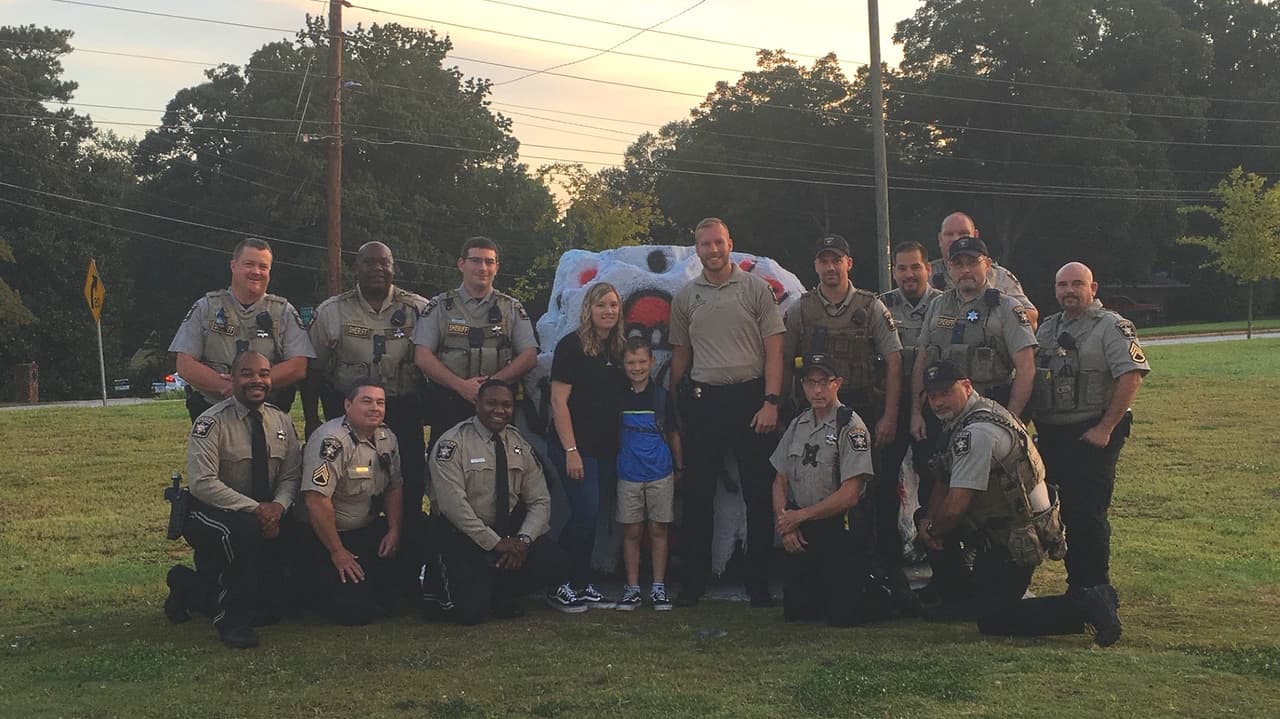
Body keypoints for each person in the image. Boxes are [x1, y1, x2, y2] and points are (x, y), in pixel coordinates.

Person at [915, 360, 1121, 646]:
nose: (937, 403)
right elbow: (944, 475)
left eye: (945, 393)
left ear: (966, 386)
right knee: (923, 515)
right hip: (1004, 524)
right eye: (932, 396)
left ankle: (1086, 605)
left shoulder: (976, 434)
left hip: (1014, 536)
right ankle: (961, 600)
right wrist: (928, 519)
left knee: (996, 619)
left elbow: (957, 504)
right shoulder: (975, 412)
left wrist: (933, 530)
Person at [781, 233, 909, 609]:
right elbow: (785, 359)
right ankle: (818, 571)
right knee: (814, 487)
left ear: (848, 263)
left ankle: (879, 571)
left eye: (837, 260)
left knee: (871, 496)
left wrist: (888, 416)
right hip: (816, 411)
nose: (830, 267)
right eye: (823, 260)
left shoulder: (870, 307)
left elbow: (894, 361)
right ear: (816, 265)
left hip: (862, 411)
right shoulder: (801, 309)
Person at [669, 217, 786, 607]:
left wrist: (771, 401)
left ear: (730, 244)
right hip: (704, 403)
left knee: (758, 494)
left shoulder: (756, 289)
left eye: (719, 243)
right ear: (697, 249)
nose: (713, 250)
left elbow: (774, 351)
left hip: (751, 400)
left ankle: (758, 583)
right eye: (705, 244)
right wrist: (676, 405)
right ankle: (693, 582)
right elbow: (680, 355)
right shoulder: (686, 297)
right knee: (699, 495)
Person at [1033, 262, 1149, 622]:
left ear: (1093, 287)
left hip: (1092, 434)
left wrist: (1106, 427)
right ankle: (1076, 589)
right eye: (1062, 284)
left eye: (1077, 284)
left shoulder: (1112, 326)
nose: (1069, 291)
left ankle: (1097, 592)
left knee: (1087, 516)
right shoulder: (1048, 328)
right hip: (1052, 434)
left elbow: (1131, 375)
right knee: (1054, 513)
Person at [162, 351, 301, 649]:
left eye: (264, 374)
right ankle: (232, 621)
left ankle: (187, 586)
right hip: (212, 513)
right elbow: (203, 483)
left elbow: (290, 476)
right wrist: (257, 510)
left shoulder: (281, 421)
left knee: (270, 612)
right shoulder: (210, 422)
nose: (257, 380)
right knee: (242, 532)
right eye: (248, 373)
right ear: (232, 378)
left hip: (266, 512)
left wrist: (278, 508)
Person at [427, 380, 586, 624]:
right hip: (463, 537)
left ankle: (497, 593)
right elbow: (454, 508)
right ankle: (439, 587)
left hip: (507, 536)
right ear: (477, 404)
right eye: (491, 403)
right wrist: (494, 543)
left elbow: (540, 500)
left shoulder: (518, 443)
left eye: (506, 405)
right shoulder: (453, 444)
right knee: (469, 615)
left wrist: (523, 541)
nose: (499, 410)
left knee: (555, 561)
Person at [305, 242, 430, 516]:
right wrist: (312, 418)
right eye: (369, 263)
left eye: (384, 263)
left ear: (393, 268)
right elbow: (313, 370)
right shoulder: (331, 312)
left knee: (409, 485)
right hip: (347, 415)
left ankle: (404, 546)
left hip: (403, 414)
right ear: (355, 268)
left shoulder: (419, 309)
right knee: (350, 487)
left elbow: (433, 363)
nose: (377, 269)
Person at [771, 355, 879, 625]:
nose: (817, 390)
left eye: (824, 382)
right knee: (798, 615)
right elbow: (779, 479)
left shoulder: (851, 426)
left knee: (844, 616)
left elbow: (851, 493)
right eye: (810, 383)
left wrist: (800, 516)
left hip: (839, 528)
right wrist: (785, 522)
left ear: (837, 383)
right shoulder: (798, 425)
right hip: (803, 530)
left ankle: (881, 596)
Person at [413, 236, 538, 457]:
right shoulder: (440, 307)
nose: (483, 268)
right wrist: (461, 386)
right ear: (461, 264)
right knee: (445, 466)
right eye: (476, 261)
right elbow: (422, 356)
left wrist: (491, 386)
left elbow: (529, 355)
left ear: (497, 267)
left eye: (489, 262)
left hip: (497, 409)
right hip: (450, 404)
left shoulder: (511, 308)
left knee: (499, 469)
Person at [295, 383, 408, 625]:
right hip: (327, 538)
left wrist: (394, 530)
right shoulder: (331, 441)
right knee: (355, 612)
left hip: (367, 529)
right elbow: (316, 499)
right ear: (348, 405)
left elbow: (394, 486)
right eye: (366, 401)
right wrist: (338, 553)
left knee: (398, 599)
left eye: (380, 402)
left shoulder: (387, 437)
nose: (375, 408)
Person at [169, 237, 315, 422]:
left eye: (263, 267)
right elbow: (184, 364)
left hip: (268, 415)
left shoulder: (283, 312)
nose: (256, 272)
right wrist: (227, 386)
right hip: (213, 413)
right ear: (233, 266)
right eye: (249, 264)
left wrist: (250, 386)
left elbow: (298, 366)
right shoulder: (206, 307)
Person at [547, 282, 627, 608]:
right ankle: (558, 581)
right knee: (585, 512)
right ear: (588, 309)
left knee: (591, 515)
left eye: (613, 305)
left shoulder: (619, 348)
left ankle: (582, 582)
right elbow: (558, 401)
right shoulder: (571, 346)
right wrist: (571, 451)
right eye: (601, 305)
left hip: (607, 446)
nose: (608, 311)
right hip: (576, 447)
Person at [910, 236, 1038, 428]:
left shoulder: (1007, 308)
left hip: (989, 412)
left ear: (986, 265)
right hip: (940, 415)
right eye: (958, 264)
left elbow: (1026, 368)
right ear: (949, 268)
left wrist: (1009, 419)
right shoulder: (937, 306)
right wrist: (916, 413)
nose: (966, 270)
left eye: (972, 262)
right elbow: (922, 361)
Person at [615, 338, 684, 611]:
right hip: (628, 473)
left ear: (652, 362)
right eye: (631, 363)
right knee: (632, 530)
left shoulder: (662, 396)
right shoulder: (618, 397)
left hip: (660, 472)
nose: (637, 368)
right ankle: (632, 588)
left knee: (658, 529)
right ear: (623, 365)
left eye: (642, 362)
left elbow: (674, 433)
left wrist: (679, 466)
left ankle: (658, 587)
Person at [930, 212, 1038, 328]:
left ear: (975, 235)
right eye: (949, 234)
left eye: (963, 233)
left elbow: (1031, 318)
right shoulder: (925, 275)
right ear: (940, 239)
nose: (956, 239)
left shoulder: (999, 276)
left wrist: (993, 314)